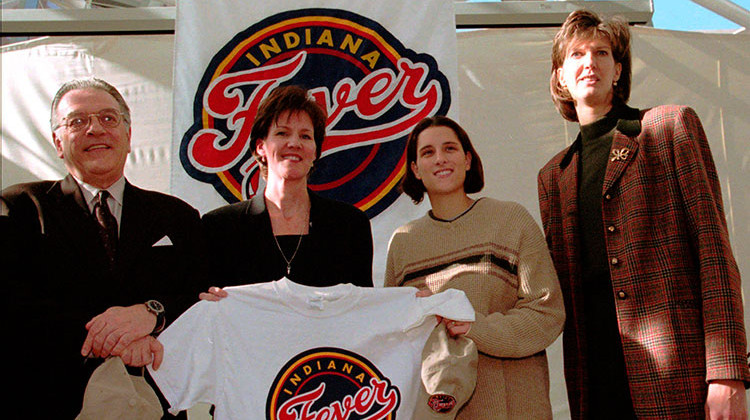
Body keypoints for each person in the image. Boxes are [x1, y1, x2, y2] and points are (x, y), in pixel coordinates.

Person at [538, 9, 749, 419]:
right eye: (576, 55)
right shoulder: (553, 176)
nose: (589, 63)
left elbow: (715, 254)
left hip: (677, 374)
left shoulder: (668, 126)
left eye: (600, 53)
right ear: (560, 77)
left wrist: (727, 372)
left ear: (617, 70)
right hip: (594, 377)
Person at [1, 78, 207, 418]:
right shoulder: (19, 207)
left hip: (155, 406)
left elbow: (199, 294)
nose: (95, 129)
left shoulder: (177, 216)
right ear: (57, 141)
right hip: (50, 401)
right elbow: (12, 303)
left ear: (128, 137)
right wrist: (121, 338)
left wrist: (153, 314)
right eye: (77, 121)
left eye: (108, 118)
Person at [385, 116, 565, 419]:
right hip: (437, 409)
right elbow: (393, 337)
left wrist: (475, 327)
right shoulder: (403, 243)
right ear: (415, 169)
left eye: (450, 149)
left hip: (514, 407)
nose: (440, 158)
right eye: (428, 152)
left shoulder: (510, 220)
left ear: (467, 159)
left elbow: (547, 313)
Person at [201, 85, 373, 290]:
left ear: (315, 152)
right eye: (282, 133)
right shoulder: (218, 228)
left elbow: (363, 309)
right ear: (260, 147)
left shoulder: (351, 226)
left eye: (305, 136)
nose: (294, 143)